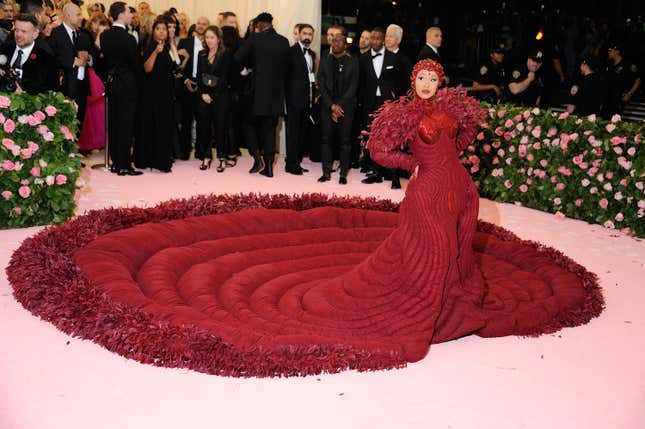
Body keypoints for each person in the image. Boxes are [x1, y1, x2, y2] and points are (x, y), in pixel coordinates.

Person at [234, 12, 290, 177]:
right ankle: (269, 168)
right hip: (276, 94)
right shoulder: (283, 41)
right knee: (270, 130)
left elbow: (237, 59)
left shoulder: (254, 39)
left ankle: (257, 158)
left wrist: (248, 69)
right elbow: (287, 68)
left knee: (247, 124)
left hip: (256, 93)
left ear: (259, 25)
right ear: (272, 24)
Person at [358, 26, 407, 188]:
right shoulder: (363, 59)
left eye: (379, 38)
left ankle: (393, 175)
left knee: (391, 139)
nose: (375, 41)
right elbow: (361, 84)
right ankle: (375, 172)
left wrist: (399, 103)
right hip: (370, 104)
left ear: (384, 39)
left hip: (389, 105)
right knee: (372, 138)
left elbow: (402, 83)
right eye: (373, 38)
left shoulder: (394, 58)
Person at [100, 1, 143, 176]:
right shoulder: (128, 38)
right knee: (126, 124)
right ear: (121, 15)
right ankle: (124, 164)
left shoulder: (104, 36)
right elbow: (136, 65)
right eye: (128, 12)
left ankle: (116, 162)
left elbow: (103, 61)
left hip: (111, 83)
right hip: (127, 84)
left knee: (114, 122)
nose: (131, 15)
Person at [317, 29, 358, 184]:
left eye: (339, 41)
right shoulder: (325, 59)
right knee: (326, 140)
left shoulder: (353, 62)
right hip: (328, 106)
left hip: (346, 108)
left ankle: (343, 175)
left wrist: (339, 106)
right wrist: (331, 106)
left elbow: (353, 88)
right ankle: (326, 173)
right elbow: (320, 83)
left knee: (345, 142)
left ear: (345, 45)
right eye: (333, 40)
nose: (335, 43)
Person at [134, 18, 175, 173]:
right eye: (158, 28)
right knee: (151, 124)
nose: (161, 31)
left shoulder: (169, 47)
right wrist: (155, 53)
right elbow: (146, 69)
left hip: (166, 92)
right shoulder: (150, 46)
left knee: (164, 125)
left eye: (164, 29)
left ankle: (162, 159)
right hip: (151, 92)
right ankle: (148, 159)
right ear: (153, 31)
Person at [195, 25, 232, 172]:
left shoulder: (225, 54)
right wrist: (203, 93)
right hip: (203, 96)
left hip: (220, 96)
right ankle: (206, 156)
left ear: (218, 39)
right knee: (203, 127)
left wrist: (213, 95)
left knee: (220, 128)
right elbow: (199, 75)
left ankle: (222, 158)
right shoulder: (201, 54)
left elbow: (224, 78)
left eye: (212, 37)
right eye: (207, 37)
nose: (209, 40)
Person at [48, 2, 92, 125]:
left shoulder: (84, 35)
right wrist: (72, 61)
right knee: (64, 124)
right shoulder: (55, 34)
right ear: (67, 15)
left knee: (79, 122)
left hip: (82, 87)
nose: (81, 17)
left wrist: (88, 58)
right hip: (64, 87)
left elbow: (94, 56)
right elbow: (51, 58)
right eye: (78, 14)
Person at [285, 23, 316, 175]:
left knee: (301, 133)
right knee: (292, 133)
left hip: (306, 100)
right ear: (298, 34)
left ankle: (296, 162)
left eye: (310, 34)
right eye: (305, 33)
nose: (307, 37)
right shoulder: (290, 52)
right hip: (293, 100)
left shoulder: (312, 55)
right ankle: (290, 165)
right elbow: (284, 78)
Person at [176, 16, 209, 160]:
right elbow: (177, 65)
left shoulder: (210, 44)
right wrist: (185, 80)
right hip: (186, 83)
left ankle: (201, 152)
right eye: (199, 23)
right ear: (195, 25)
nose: (201, 26)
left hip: (203, 85)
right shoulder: (184, 42)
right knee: (186, 120)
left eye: (204, 24)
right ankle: (184, 152)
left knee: (203, 120)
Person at [0, 13, 58, 95]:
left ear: (35, 34)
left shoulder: (47, 59)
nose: (18, 34)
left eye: (24, 31)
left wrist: (24, 96)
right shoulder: (4, 49)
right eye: (16, 30)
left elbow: (51, 93)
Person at [603, 43, 641, 117]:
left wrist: (629, 94)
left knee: (616, 121)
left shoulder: (627, 64)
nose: (608, 52)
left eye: (610, 50)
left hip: (619, 99)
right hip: (608, 99)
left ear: (617, 51)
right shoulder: (609, 64)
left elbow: (638, 80)